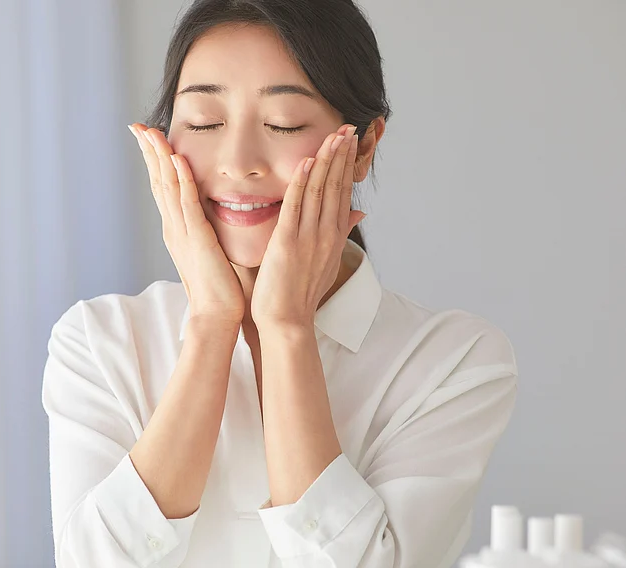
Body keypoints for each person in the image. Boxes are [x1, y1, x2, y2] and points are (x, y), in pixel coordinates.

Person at [41, 1, 518, 567]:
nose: (238, 162)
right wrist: (213, 327)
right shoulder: (100, 342)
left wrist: (286, 330)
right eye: (204, 122)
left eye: (284, 123)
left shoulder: (452, 361)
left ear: (364, 147)